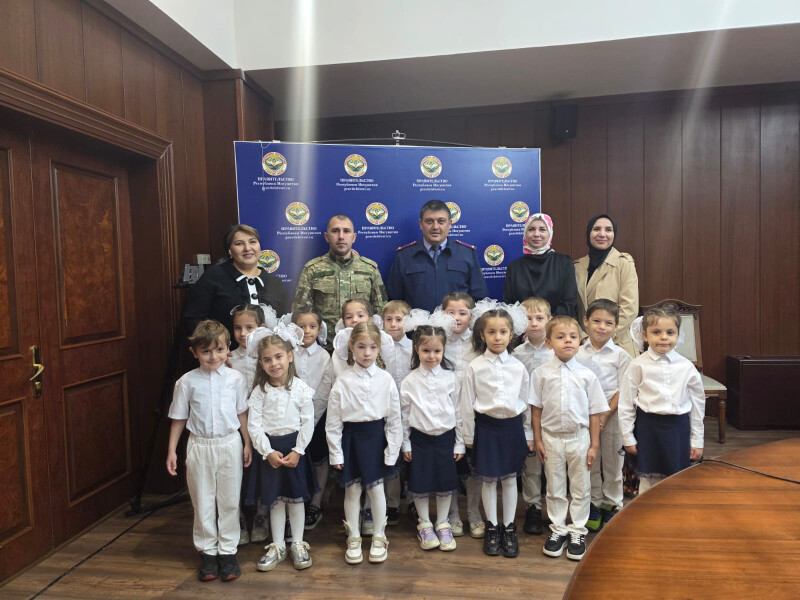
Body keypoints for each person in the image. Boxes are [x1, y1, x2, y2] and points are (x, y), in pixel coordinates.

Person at [166, 320, 252, 582]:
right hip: (200, 446)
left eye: (219, 350)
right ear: (194, 352)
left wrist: (247, 442)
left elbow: (242, 413)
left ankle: (228, 552)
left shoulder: (236, 379)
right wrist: (172, 450)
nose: (213, 356)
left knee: (229, 500)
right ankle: (207, 553)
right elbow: (179, 417)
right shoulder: (187, 382)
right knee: (202, 500)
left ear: (228, 349)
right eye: (206, 351)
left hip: (229, 444)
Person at [530, 316, 608, 562]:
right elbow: (536, 410)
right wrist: (538, 439)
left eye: (573, 337)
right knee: (554, 487)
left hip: (579, 438)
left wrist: (594, 445)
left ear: (579, 341)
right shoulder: (541, 374)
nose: (568, 341)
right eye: (560, 337)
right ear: (549, 343)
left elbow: (594, 413)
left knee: (581, 487)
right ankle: (558, 529)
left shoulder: (587, 375)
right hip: (551, 438)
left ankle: (577, 530)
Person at [326, 321, 402, 565]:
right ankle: (354, 536)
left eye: (372, 347)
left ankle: (379, 535)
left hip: (376, 439)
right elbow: (333, 422)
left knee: (376, 489)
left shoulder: (386, 379)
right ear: (352, 347)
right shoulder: (343, 380)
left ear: (379, 348)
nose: (367, 353)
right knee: (353, 489)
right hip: (352, 439)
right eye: (361, 347)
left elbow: (394, 419)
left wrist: (392, 451)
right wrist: (336, 453)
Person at [460, 307, 533, 559]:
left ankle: (509, 527)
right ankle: (492, 526)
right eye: (491, 332)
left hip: (512, 428)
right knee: (489, 479)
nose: (497, 337)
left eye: (503, 332)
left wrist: (528, 433)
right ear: (482, 335)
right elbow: (466, 403)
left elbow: (525, 401)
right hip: (486, 428)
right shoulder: (475, 367)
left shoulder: (518, 367)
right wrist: (468, 436)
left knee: (510, 479)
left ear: (511, 334)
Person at [246, 326, 318, 572]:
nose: (274, 363)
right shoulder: (259, 392)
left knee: (295, 499)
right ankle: (277, 545)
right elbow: (254, 426)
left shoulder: (300, 389)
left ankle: (297, 543)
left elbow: (308, 423)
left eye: (278, 357)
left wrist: (299, 450)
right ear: (261, 363)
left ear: (289, 356)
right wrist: (267, 452)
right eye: (267, 359)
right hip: (271, 452)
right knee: (275, 500)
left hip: (295, 450)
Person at [618, 304, 705, 494]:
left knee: (678, 478)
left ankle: (674, 510)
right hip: (648, 428)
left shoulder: (686, 367)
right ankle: (647, 510)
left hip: (678, 428)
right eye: (656, 332)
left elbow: (698, 406)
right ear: (645, 335)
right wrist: (627, 437)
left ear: (678, 335)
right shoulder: (637, 365)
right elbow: (626, 404)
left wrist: (697, 440)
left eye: (670, 332)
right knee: (648, 479)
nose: (663, 337)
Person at [400, 325, 465, 552]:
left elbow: (458, 412)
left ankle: (443, 522)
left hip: (446, 438)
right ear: (416, 349)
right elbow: (404, 414)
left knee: (445, 482)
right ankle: (425, 523)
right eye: (426, 351)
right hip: (420, 439)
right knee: (421, 482)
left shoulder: (450, 378)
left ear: (443, 350)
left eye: (437, 351)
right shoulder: (409, 381)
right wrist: (405, 442)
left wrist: (459, 443)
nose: (432, 356)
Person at [575, 299, 631, 532]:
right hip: (585, 415)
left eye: (608, 323)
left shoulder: (621, 356)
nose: (602, 327)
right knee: (590, 461)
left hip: (612, 415)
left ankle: (613, 503)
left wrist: (606, 415)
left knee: (612, 462)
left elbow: (623, 389)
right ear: (586, 321)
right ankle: (595, 503)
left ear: (616, 326)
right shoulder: (577, 352)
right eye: (596, 321)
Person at [183, 225, 289, 344]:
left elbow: (285, 323)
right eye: (239, 244)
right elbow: (193, 318)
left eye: (252, 242)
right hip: (225, 353)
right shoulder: (213, 276)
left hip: (268, 354)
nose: (247, 248)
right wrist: (216, 348)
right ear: (230, 251)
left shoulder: (275, 282)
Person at [293, 215, 387, 346]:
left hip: (362, 348)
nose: (341, 236)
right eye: (335, 231)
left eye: (346, 231)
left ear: (354, 237)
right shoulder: (312, 269)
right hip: (324, 348)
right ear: (327, 236)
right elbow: (301, 312)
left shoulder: (369, 269)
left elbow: (381, 312)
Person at [387, 200, 488, 312]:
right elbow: (394, 301)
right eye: (429, 221)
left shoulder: (467, 254)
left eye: (441, 221)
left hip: (455, 323)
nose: (435, 227)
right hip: (418, 323)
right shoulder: (404, 256)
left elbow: (480, 299)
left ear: (449, 224)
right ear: (420, 224)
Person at [440, 292, 482, 538]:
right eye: (450, 313)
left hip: (473, 412)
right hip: (444, 413)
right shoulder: (438, 340)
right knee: (450, 465)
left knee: (474, 466)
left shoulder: (478, 342)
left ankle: (474, 513)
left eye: (462, 313)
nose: (456, 318)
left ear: (471, 317)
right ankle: (453, 513)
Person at [288, 309, 333, 531]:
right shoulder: (288, 353)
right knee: (295, 458)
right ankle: (296, 501)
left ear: (319, 329)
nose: (306, 331)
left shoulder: (324, 357)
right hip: (290, 417)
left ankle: (316, 502)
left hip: (317, 416)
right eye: (301, 326)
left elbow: (324, 390)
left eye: (312, 326)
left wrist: (311, 421)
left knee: (319, 459)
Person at [513, 297, 554, 536]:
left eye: (539, 318)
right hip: (528, 418)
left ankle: (556, 510)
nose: (534, 323)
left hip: (553, 417)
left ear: (549, 320)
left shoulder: (557, 351)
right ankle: (533, 508)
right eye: (528, 319)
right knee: (531, 466)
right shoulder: (517, 353)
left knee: (554, 465)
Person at [229, 304, 269, 546]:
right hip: (237, 424)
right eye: (237, 328)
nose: (243, 333)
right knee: (238, 471)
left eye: (249, 328)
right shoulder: (228, 358)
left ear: (261, 328)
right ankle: (239, 517)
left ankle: (262, 515)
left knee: (263, 469)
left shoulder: (267, 356)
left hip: (264, 422)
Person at [574, 214, 639, 357]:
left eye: (608, 230)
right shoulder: (577, 266)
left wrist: (603, 336)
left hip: (616, 344)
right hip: (584, 346)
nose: (602, 234)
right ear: (588, 233)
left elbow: (629, 307)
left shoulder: (624, 263)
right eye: (596, 229)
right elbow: (573, 308)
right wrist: (582, 337)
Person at [503, 213, 578, 317]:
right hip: (524, 326)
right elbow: (510, 306)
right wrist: (529, 323)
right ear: (525, 233)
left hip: (557, 325)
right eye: (531, 229)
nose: (536, 234)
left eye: (542, 229)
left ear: (550, 233)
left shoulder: (564, 263)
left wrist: (547, 323)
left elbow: (569, 302)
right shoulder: (514, 267)